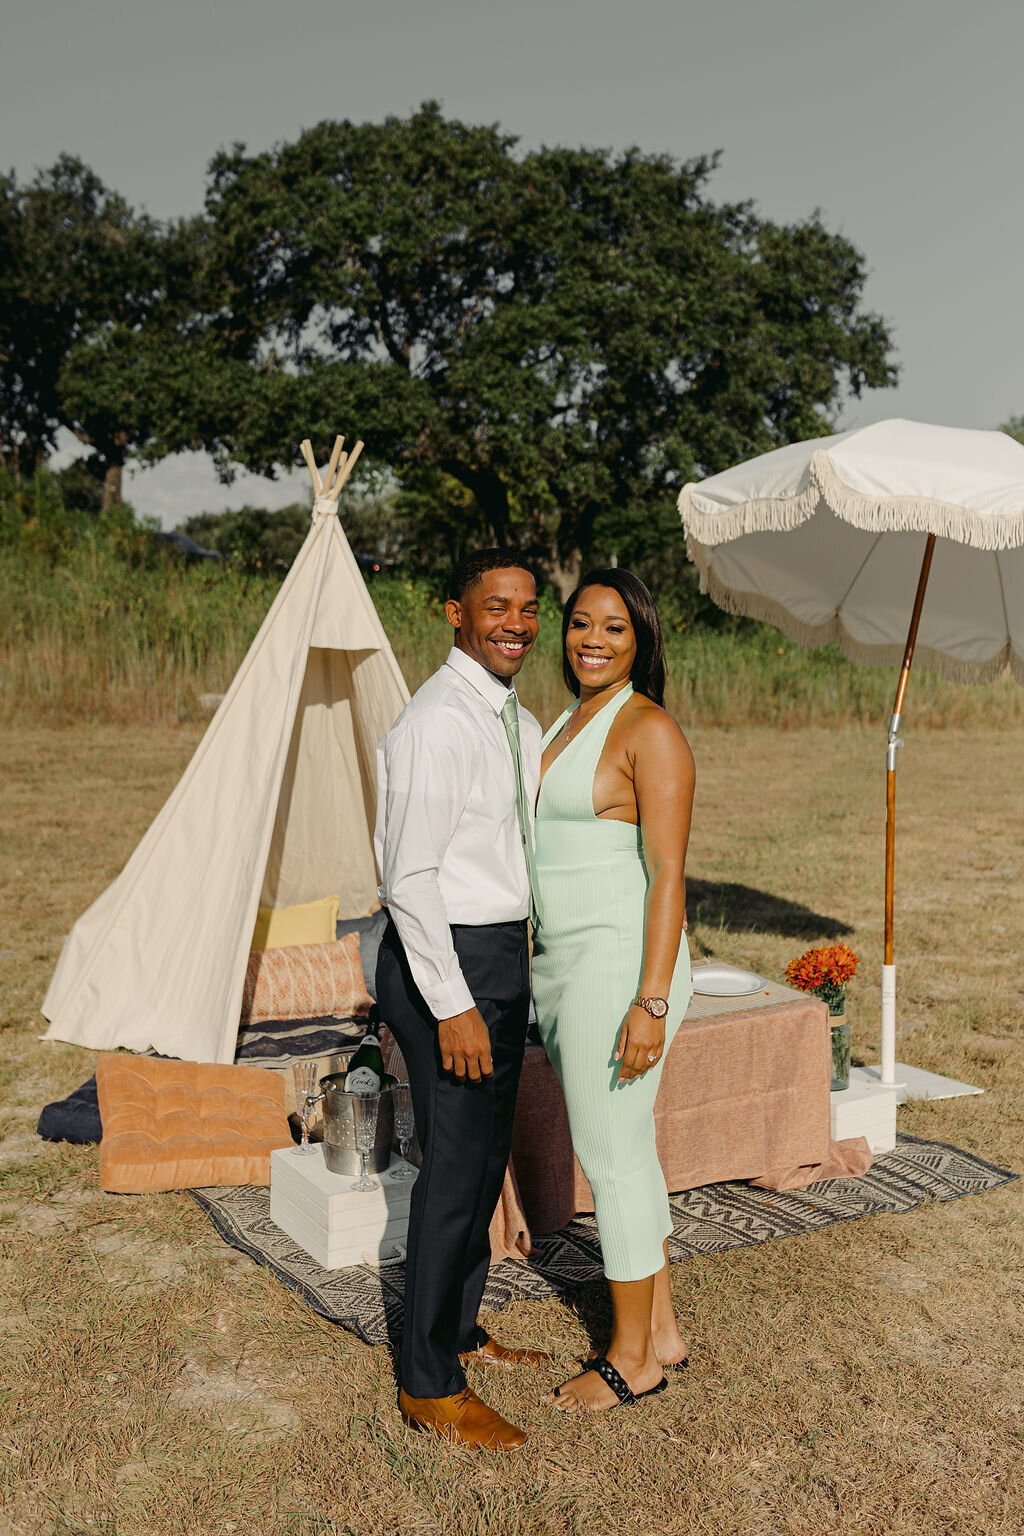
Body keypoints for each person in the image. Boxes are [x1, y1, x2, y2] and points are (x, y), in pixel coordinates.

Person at [374, 549, 550, 1450]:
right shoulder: (436, 722)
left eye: (526, 607)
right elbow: (408, 876)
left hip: (495, 954)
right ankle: (427, 1383)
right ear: (455, 612)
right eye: (495, 606)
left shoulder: (507, 713)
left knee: (482, 1165)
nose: (516, 622)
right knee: (452, 1173)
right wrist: (453, 1004)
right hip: (445, 961)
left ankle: (457, 1329)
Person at [531, 569, 696, 1413]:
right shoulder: (567, 720)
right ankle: (661, 1329)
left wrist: (652, 999)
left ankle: (633, 1360)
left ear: (641, 642)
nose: (592, 639)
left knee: (612, 1159)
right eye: (580, 623)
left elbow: (668, 873)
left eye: (615, 629)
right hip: (562, 966)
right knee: (629, 1150)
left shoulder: (649, 729)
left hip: (619, 969)